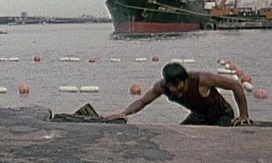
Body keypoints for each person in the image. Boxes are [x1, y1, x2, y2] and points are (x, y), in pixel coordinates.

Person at [107, 62, 252, 126]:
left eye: (177, 85)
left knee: (215, 137)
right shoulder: (162, 87)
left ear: (185, 80)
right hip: (199, 116)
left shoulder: (202, 80)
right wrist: (124, 113)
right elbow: (143, 101)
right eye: (170, 85)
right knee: (181, 135)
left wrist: (244, 115)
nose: (173, 89)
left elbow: (235, 85)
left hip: (221, 115)